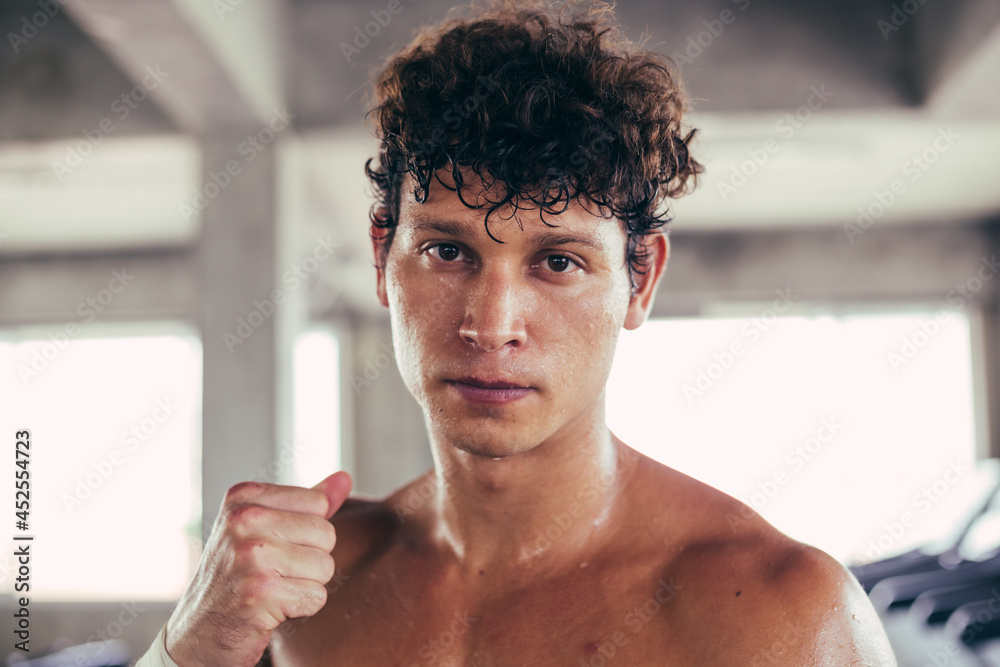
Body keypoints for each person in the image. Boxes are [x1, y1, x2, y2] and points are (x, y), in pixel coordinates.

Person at [138, 0, 898, 664]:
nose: (490, 325)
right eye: (447, 252)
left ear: (642, 278)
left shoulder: (785, 615)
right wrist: (185, 651)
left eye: (558, 261)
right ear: (382, 258)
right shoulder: (301, 592)